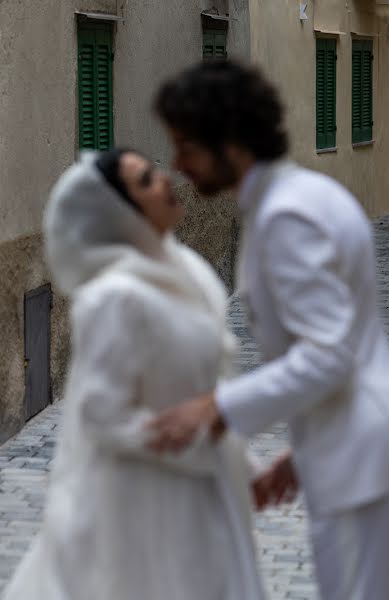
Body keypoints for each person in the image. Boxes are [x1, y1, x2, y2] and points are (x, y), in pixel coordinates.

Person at [146, 60, 389, 600]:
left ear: (231, 141)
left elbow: (329, 356)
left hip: (362, 457)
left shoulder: (286, 217)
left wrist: (215, 407)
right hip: (369, 444)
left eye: (186, 145)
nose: (179, 164)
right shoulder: (306, 195)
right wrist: (301, 454)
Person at [2, 149, 266, 600]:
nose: (164, 181)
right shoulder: (115, 298)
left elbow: (209, 390)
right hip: (139, 512)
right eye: (146, 180)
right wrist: (190, 436)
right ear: (120, 213)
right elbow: (102, 415)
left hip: (200, 501)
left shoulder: (191, 276)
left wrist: (241, 464)